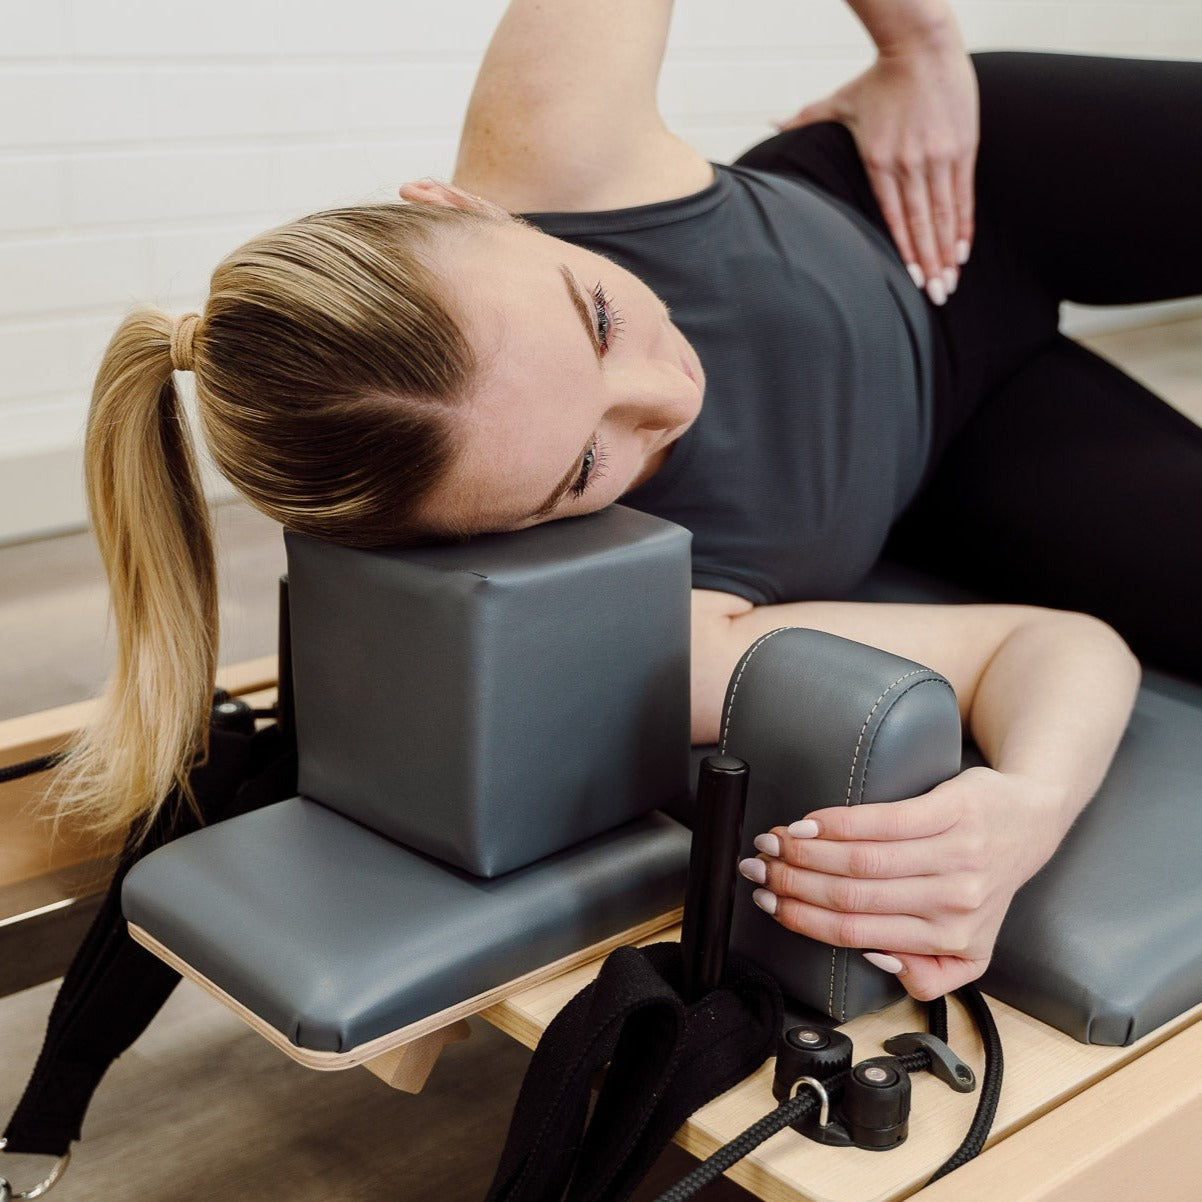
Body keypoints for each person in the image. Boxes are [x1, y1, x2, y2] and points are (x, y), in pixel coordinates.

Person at [58, 0, 1201, 1003]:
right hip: (968, 440)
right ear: (490, 540)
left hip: (945, 184)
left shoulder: (550, 143)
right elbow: (1041, 646)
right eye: (584, 468)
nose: (668, 390)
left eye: (597, 317)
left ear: (467, 205)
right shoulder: (664, 625)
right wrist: (1020, 809)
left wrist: (915, 44)